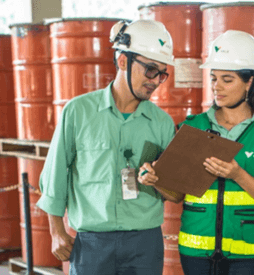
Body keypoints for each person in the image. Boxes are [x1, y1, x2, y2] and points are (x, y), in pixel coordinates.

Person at [138, 30, 254, 275]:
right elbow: (177, 194)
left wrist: (238, 175)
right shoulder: (192, 127)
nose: (217, 87)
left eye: (227, 79)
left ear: (250, 82)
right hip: (196, 253)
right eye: (213, 78)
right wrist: (155, 181)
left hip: (252, 255)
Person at [36, 19, 178, 275]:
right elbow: (56, 173)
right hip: (92, 243)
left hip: (145, 243)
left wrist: (159, 179)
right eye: (150, 70)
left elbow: (173, 190)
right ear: (123, 61)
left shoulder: (162, 123)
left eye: (162, 73)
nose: (156, 81)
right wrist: (56, 231)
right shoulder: (78, 112)